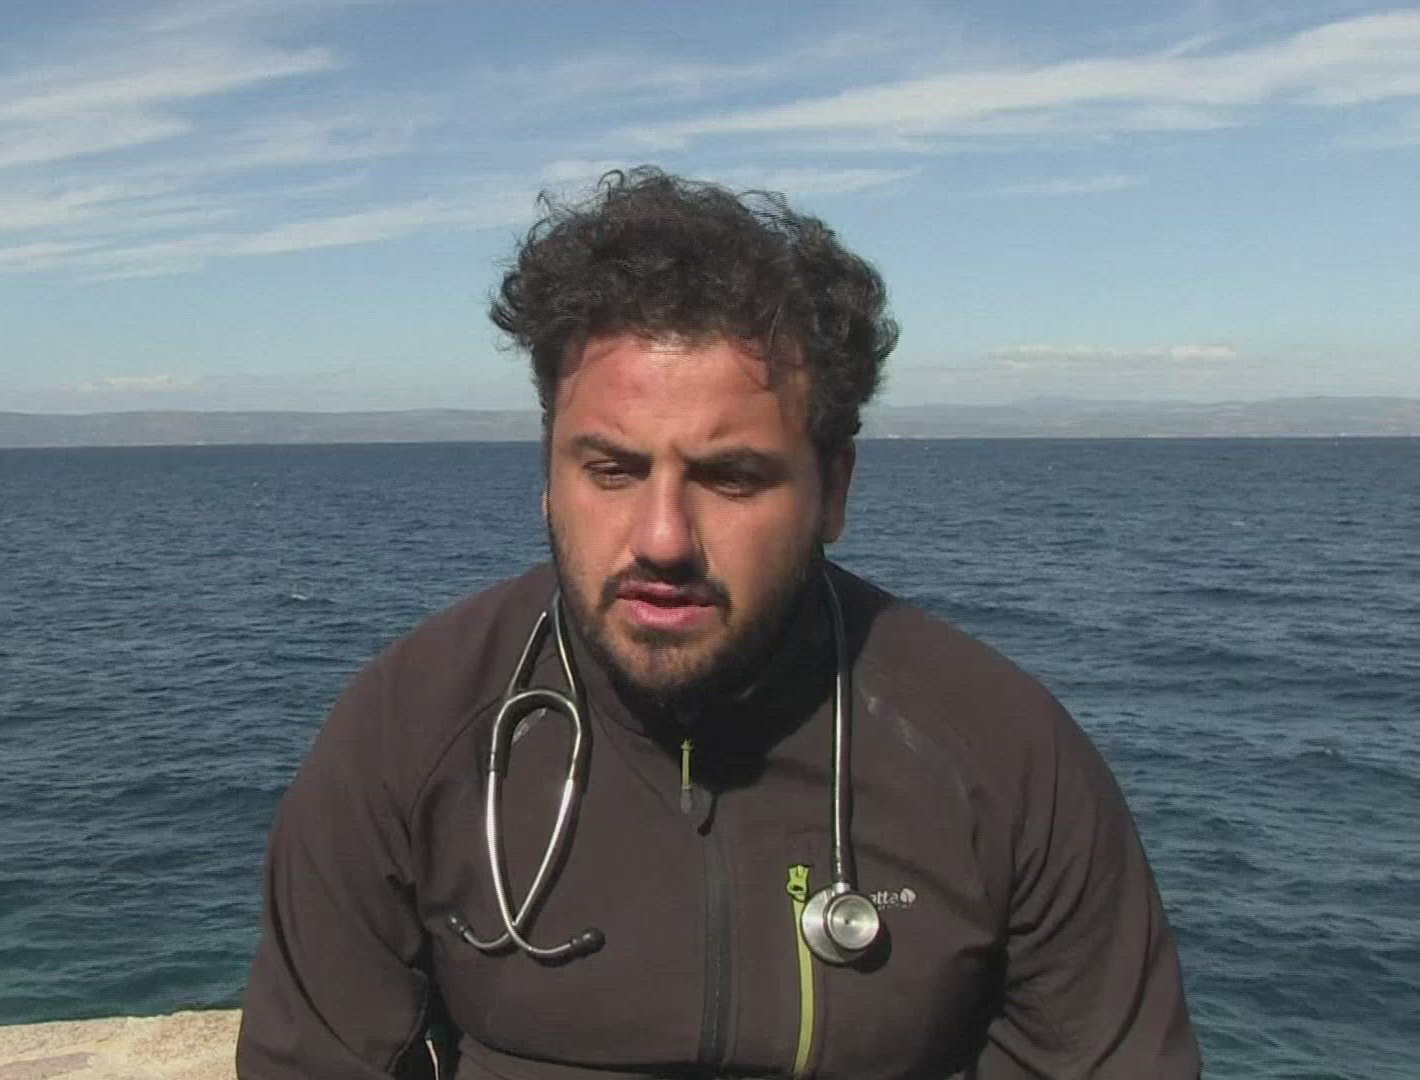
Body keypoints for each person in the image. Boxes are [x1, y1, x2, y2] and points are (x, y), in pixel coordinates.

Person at [236, 168, 1199, 1078]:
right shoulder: (406, 735)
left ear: (834, 490)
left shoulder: (1004, 757)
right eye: (611, 470)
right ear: (548, 476)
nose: (662, 537)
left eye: (731, 477)